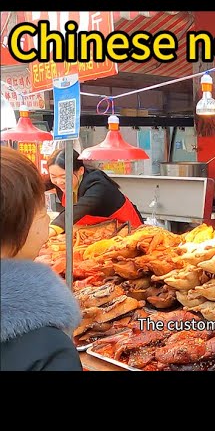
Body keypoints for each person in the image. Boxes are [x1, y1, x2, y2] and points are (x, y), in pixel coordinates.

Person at [1, 147, 82, 371]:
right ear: (19, 222)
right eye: (42, 211)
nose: (47, 219)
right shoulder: (47, 348)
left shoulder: (97, 185)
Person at [46, 149, 144, 236]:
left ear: (80, 170)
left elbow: (79, 208)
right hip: (94, 232)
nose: (59, 182)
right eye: (53, 176)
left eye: (64, 177)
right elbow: (36, 185)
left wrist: (52, 229)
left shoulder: (98, 184)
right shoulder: (62, 180)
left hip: (126, 229)